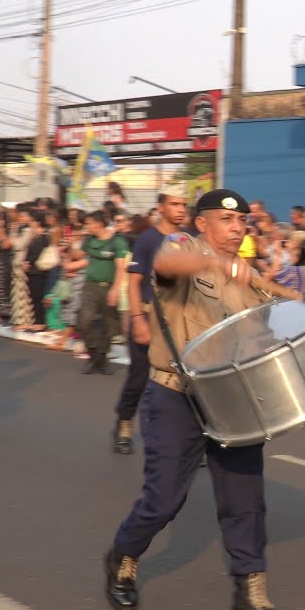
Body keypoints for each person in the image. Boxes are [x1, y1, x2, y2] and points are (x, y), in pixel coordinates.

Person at [104, 189, 290, 610]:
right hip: (175, 395)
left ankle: (250, 597)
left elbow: (282, 305)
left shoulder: (248, 274)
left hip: (234, 399)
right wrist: (216, 264)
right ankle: (124, 556)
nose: (237, 228)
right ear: (202, 223)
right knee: (164, 499)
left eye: (242, 222)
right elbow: (167, 267)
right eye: (227, 221)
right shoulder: (183, 249)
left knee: (245, 501)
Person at [113, 192, 188, 454]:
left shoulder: (188, 239)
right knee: (139, 377)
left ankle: (185, 439)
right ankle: (124, 423)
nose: (180, 209)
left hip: (179, 323)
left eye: (184, 205)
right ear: (161, 207)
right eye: (175, 204)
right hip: (147, 317)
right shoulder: (148, 240)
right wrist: (138, 321)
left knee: (183, 382)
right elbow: (133, 283)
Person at [75, 211, 128, 376]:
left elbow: (121, 267)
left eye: (89, 223)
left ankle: (101, 359)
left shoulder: (116, 242)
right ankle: (92, 352)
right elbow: (77, 255)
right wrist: (73, 244)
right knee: (84, 319)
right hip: (90, 286)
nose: (87, 226)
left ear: (98, 223)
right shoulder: (88, 241)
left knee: (109, 325)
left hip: (109, 286)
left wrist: (115, 289)